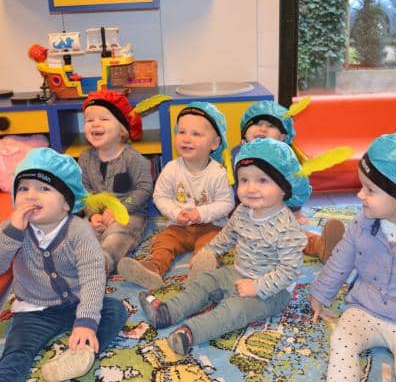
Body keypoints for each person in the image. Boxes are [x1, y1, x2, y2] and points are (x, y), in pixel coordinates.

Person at [138, 137, 311, 355]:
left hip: (272, 291)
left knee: (234, 310)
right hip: (237, 271)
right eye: (244, 180)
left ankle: (191, 333)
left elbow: (290, 270)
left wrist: (257, 287)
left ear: (284, 187)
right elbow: (226, 236)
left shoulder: (287, 227)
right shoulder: (243, 211)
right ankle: (168, 312)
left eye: (262, 180)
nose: (251, 188)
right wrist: (209, 252)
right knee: (206, 281)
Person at [0, 148, 128, 382]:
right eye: (23, 188)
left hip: (77, 302)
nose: (30, 195)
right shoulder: (11, 229)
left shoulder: (80, 231)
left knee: (115, 310)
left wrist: (86, 321)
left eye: (43, 189)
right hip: (33, 310)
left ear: (67, 203)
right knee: (16, 351)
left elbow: (92, 276)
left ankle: (81, 354)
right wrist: (12, 235)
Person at [309, 133, 396, 382]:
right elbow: (341, 260)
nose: (360, 195)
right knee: (342, 341)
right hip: (363, 308)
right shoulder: (361, 224)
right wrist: (320, 294)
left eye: (370, 190)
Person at [118, 101, 235, 289]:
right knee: (163, 241)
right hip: (179, 226)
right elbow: (160, 196)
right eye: (181, 132)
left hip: (211, 226)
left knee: (211, 246)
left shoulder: (218, 172)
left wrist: (201, 213)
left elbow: (226, 203)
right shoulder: (172, 168)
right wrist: (175, 213)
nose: (186, 139)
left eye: (196, 134)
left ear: (214, 143)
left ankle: (202, 270)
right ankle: (152, 269)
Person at [231, 100, 345, 264]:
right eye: (256, 123)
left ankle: (322, 246)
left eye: (271, 126)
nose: (262, 129)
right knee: (237, 237)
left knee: (292, 234)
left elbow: (296, 184)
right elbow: (230, 187)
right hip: (245, 212)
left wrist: (294, 210)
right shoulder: (237, 155)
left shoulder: (285, 158)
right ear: (244, 131)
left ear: (283, 137)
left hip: (278, 211)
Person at [79, 90, 153, 274]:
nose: (95, 123)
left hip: (129, 213)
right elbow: (84, 191)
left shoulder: (133, 158)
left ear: (122, 130)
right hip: (99, 213)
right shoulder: (85, 158)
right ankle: (77, 260)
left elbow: (144, 188)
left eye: (104, 119)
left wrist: (121, 209)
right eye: (89, 120)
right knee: (78, 229)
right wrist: (92, 215)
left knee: (118, 234)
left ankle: (103, 262)